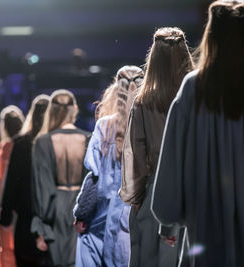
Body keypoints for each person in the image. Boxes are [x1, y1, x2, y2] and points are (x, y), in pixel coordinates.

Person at [150, 1, 244, 266]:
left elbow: (172, 162)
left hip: (205, 218)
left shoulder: (193, 88)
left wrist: (171, 215)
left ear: (210, 35)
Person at [120, 27, 194, 267]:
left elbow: (136, 155)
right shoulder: (198, 98)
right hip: (194, 193)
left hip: (155, 194)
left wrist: (137, 196)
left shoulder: (143, 102)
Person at [73, 65, 144, 267]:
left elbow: (93, 171)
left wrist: (81, 212)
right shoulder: (150, 125)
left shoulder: (104, 125)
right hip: (137, 215)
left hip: (102, 217)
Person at [31, 89, 90, 267]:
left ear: (52, 111)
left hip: (56, 209)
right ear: (75, 109)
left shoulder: (43, 142)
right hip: (82, 209)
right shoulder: (88, 138)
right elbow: (93, 182)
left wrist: (41, 227)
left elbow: (43, 187)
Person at [0, 95, 50, 267]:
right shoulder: (55, 142)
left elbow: (12, 181)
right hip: (53, 219)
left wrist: (5, 216)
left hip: (26, 219)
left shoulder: (21, 143)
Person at [0, 105, 24, 267]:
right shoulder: (26, 146)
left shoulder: (6, 147)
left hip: (3, 202)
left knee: (6, 246)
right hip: (21, 202)